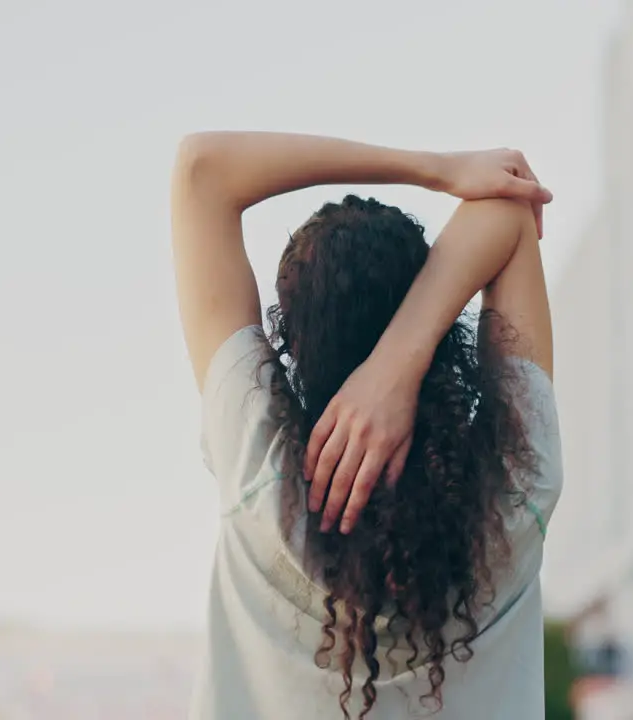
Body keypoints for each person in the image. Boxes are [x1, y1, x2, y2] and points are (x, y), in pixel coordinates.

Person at [171, 132, 564, 720]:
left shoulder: (260, 465)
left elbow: (202, 169)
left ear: (293, 344)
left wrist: (435, 168)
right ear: (438, 314)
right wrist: (400, 357)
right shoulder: (515, 488)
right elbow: (506, 211)